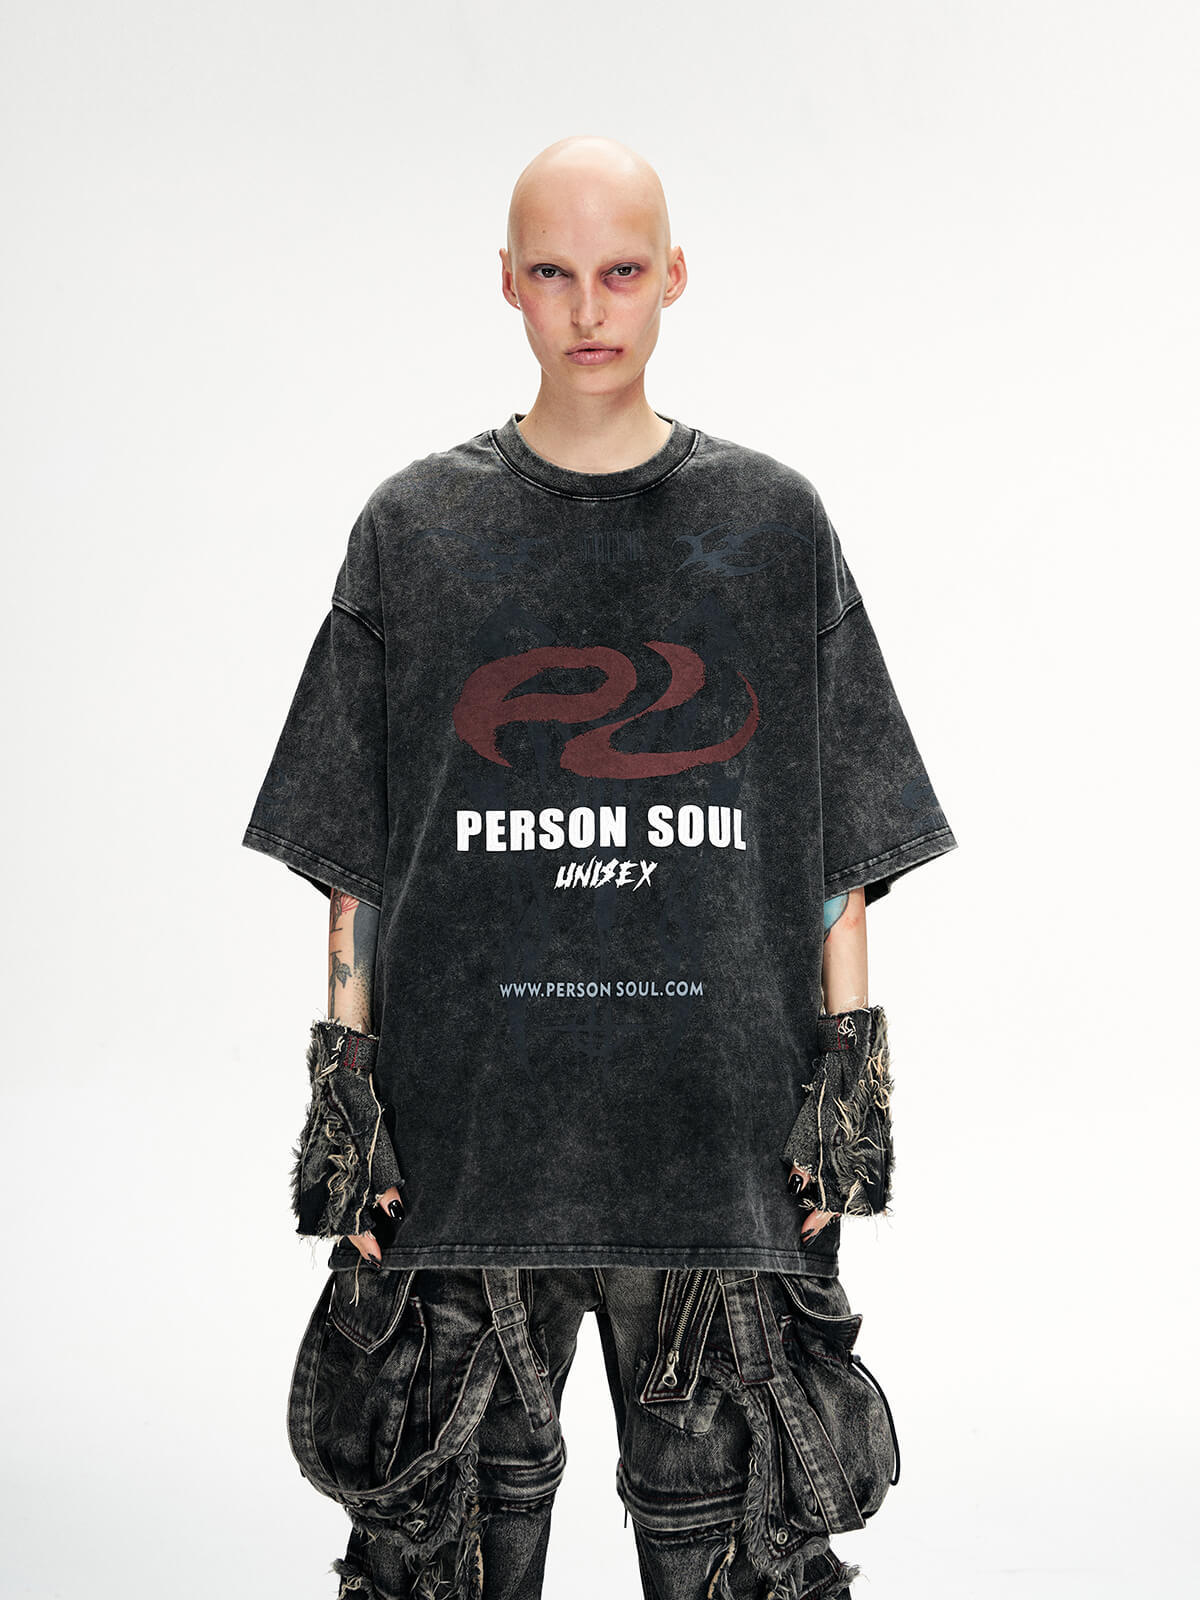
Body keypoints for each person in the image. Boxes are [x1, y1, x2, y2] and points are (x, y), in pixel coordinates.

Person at [242, 133, 957, 1600]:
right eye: (555, 273)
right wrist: (346, 1099)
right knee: (437, 1565)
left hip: (721, 1153)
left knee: (745, 1564)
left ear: (675, 277)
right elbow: (356, 858)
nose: (589, 309)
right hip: (464, 1154)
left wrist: (847, 1095)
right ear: (505, 282)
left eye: (622, 271)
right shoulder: (415, 533)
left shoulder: (773, 527)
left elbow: (838, 840)